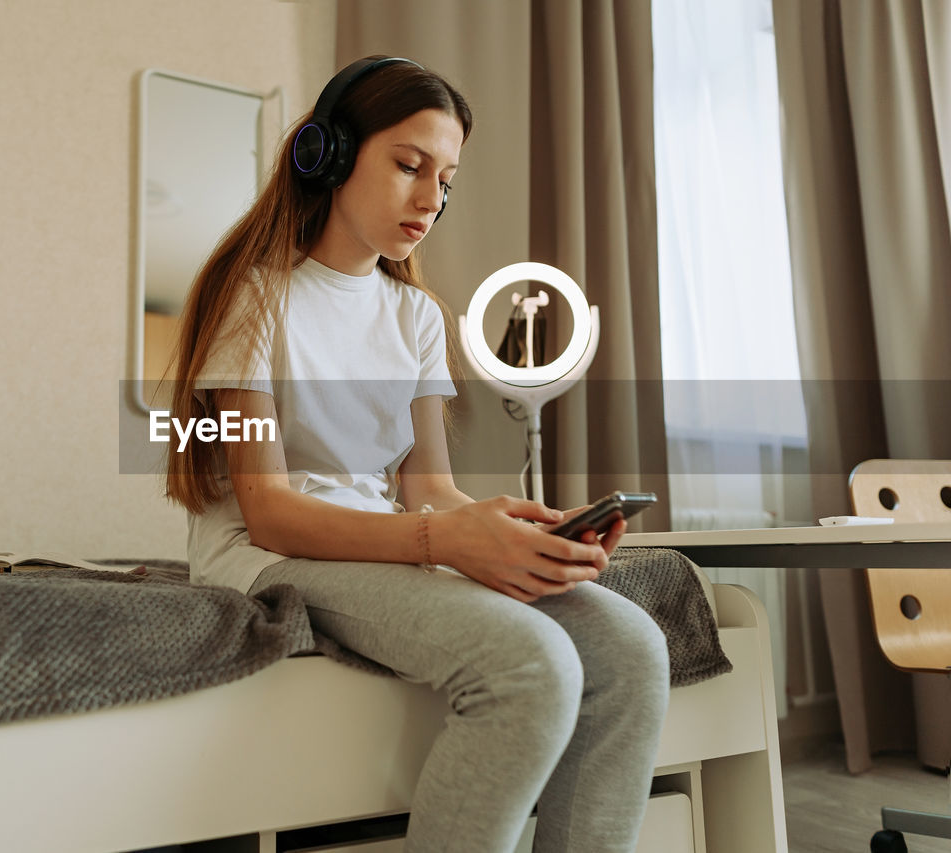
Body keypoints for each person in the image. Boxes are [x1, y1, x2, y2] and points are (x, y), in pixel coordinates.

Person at [164, 56, 669, 853]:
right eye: (409, 165)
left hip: (383, 542)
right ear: (328, 155)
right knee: (532, 663)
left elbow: (428, 487)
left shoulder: (419, 318)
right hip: (267, 554)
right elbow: (266, 509)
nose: (431, 198)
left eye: (446, 180)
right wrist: (442, 541)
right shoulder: (254, 298)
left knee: (633, 648)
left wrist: (522, 527)